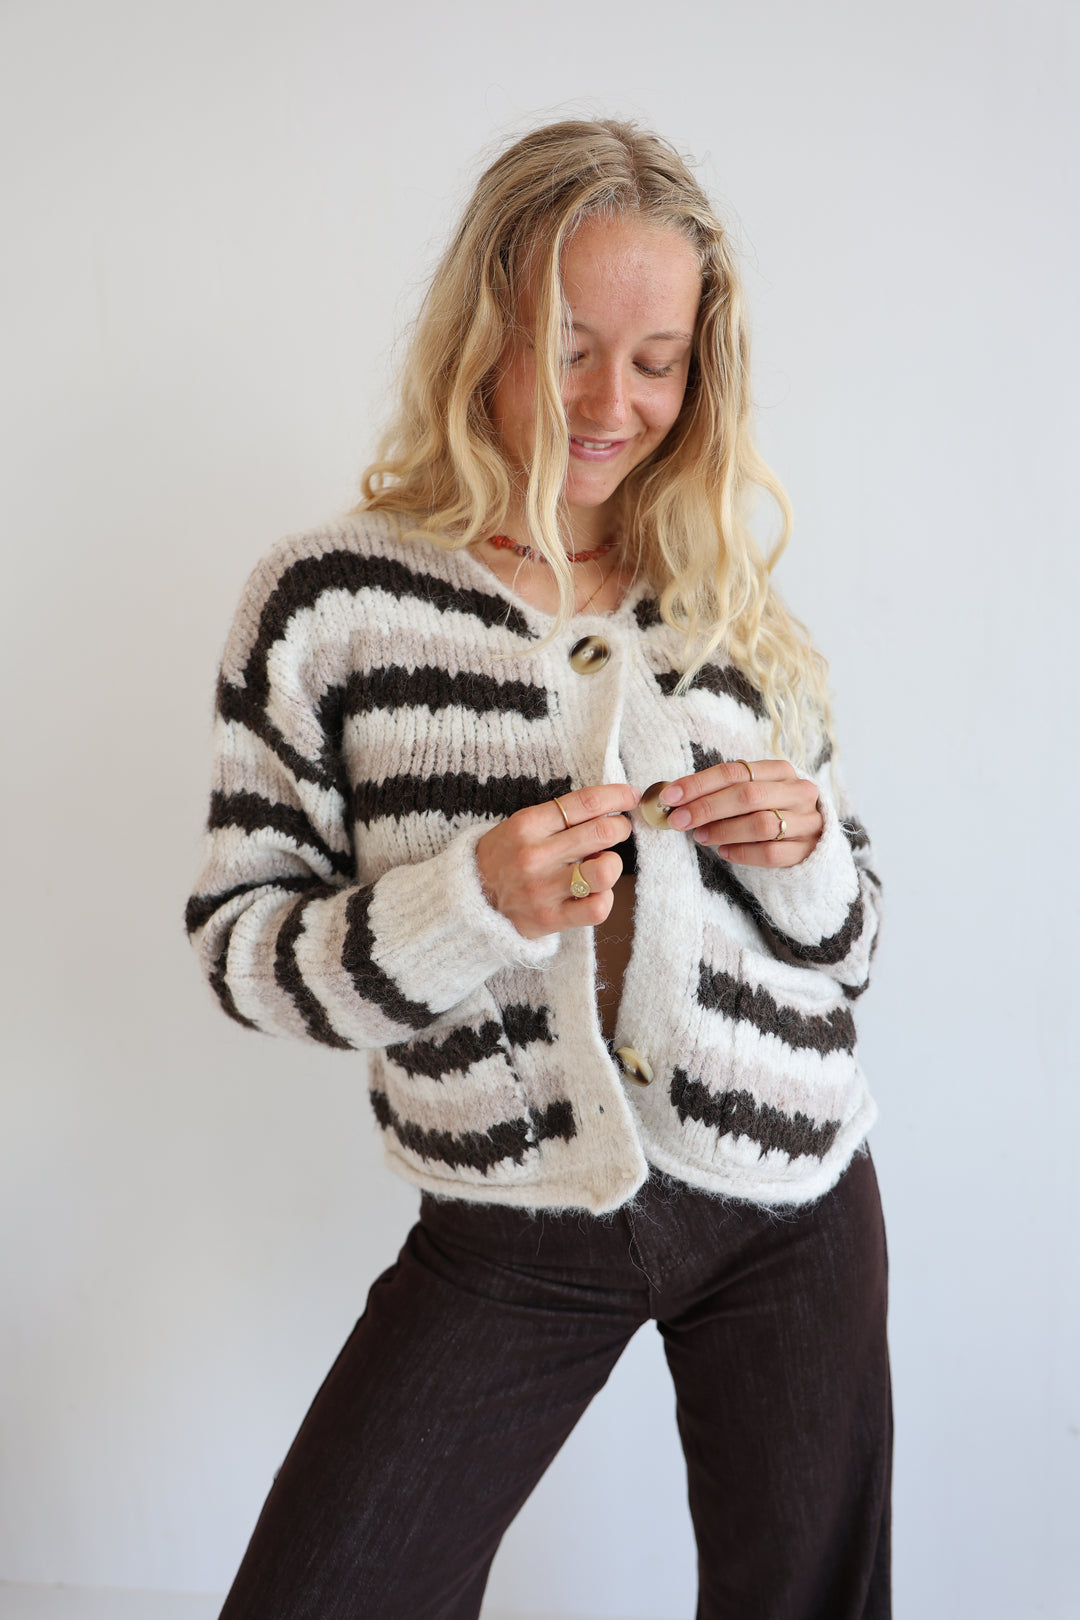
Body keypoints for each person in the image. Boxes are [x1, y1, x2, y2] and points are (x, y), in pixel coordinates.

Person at [186, 117, 889, 1620]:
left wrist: (809, 855)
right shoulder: (329, 605)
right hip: (513, 1217)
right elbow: (242, 949)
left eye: (657, 361)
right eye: (570, 346)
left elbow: (855, 942)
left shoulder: (728, 601)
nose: (611, 402)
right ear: (485, 329)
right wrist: (467, 907)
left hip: (791, 1200)